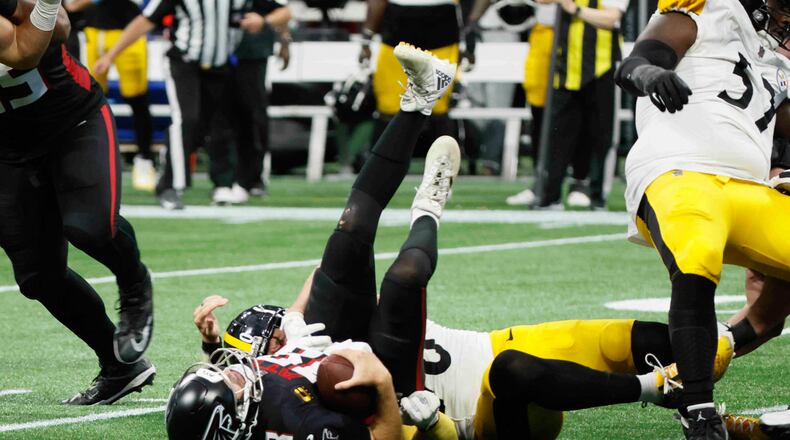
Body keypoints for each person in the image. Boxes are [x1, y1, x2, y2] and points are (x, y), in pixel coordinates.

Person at [166, 42, 460, 439]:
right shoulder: (299, 424)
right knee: (404, 277)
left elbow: (234, 379)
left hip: (326, 337)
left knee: (350, 230)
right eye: (231, 383)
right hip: (375, 375)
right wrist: (385, 388)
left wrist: (215, 344)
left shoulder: (249, 382)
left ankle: (420, 99)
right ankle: (428, 208)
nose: (231, 372)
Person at [614, 0, 790, 435]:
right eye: (783, 6)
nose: (787, 18)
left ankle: (722, 344)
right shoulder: (711, 8)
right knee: (697, 260)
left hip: (748, 191)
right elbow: (636, 62)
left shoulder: (774, 61)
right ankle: (699, 413)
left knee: (772, 304)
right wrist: (651, 74)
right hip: (679, 169)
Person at [0, 0, 155, 405]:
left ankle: (135, 283)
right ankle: (120, 365)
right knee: (38, 277)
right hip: (10, 147)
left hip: (72, 120)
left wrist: (47, 5)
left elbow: (32, 46)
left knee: (91, 228)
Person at [92, 0, 276, 209]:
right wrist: (110, 55)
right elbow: (146, 20)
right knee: (186, 120)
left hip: (220, 66)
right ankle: (171, 186)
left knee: (221, 124)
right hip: (184, 63)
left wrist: (265, 22)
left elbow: (279, 11)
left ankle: (223, 183)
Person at [64, 0, 156, 192]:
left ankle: (145, 158)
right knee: (91, 101)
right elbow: (71, 5)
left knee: (137, 97)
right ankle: (92, 158)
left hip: (129, 29)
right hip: (93, 31)